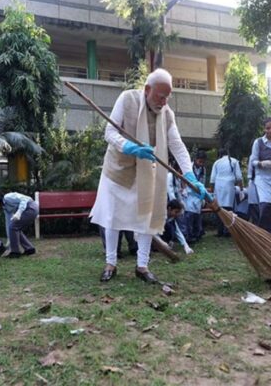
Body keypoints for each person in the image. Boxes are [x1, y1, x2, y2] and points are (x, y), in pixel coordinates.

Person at [90, 68, 209, 284]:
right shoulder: (128, 100)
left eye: (167, 97)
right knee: (112, 217)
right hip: (117, 170)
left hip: (146, 174)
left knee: (146, 218)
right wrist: (129, 147)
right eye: (160, 96)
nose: (163, 102)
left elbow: (177, 145)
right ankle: (111, 263)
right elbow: (110, 132)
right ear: (147, 89)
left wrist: (190, 176)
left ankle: (142, 266)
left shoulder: (167, 114)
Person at [0, 191, 38, 258]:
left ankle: (15, 252)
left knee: (14, 227)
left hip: (31, 207)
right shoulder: (5, 207)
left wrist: (19, 212)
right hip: (28, 209)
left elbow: (24, 199)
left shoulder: (8, 197)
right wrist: (9, 238)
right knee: (14, 227)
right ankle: (30, 249)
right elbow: (8, 223)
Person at [210, 148, 242, 237]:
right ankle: (227, 230)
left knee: (219, 209)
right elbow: (239, 177)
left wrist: (212, 192)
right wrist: (241, 188)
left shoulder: (217, 163)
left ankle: (219, 231)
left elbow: (212, 179)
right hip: (229, 186)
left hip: (218, 187)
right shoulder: (234, 161)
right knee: (229, 209)